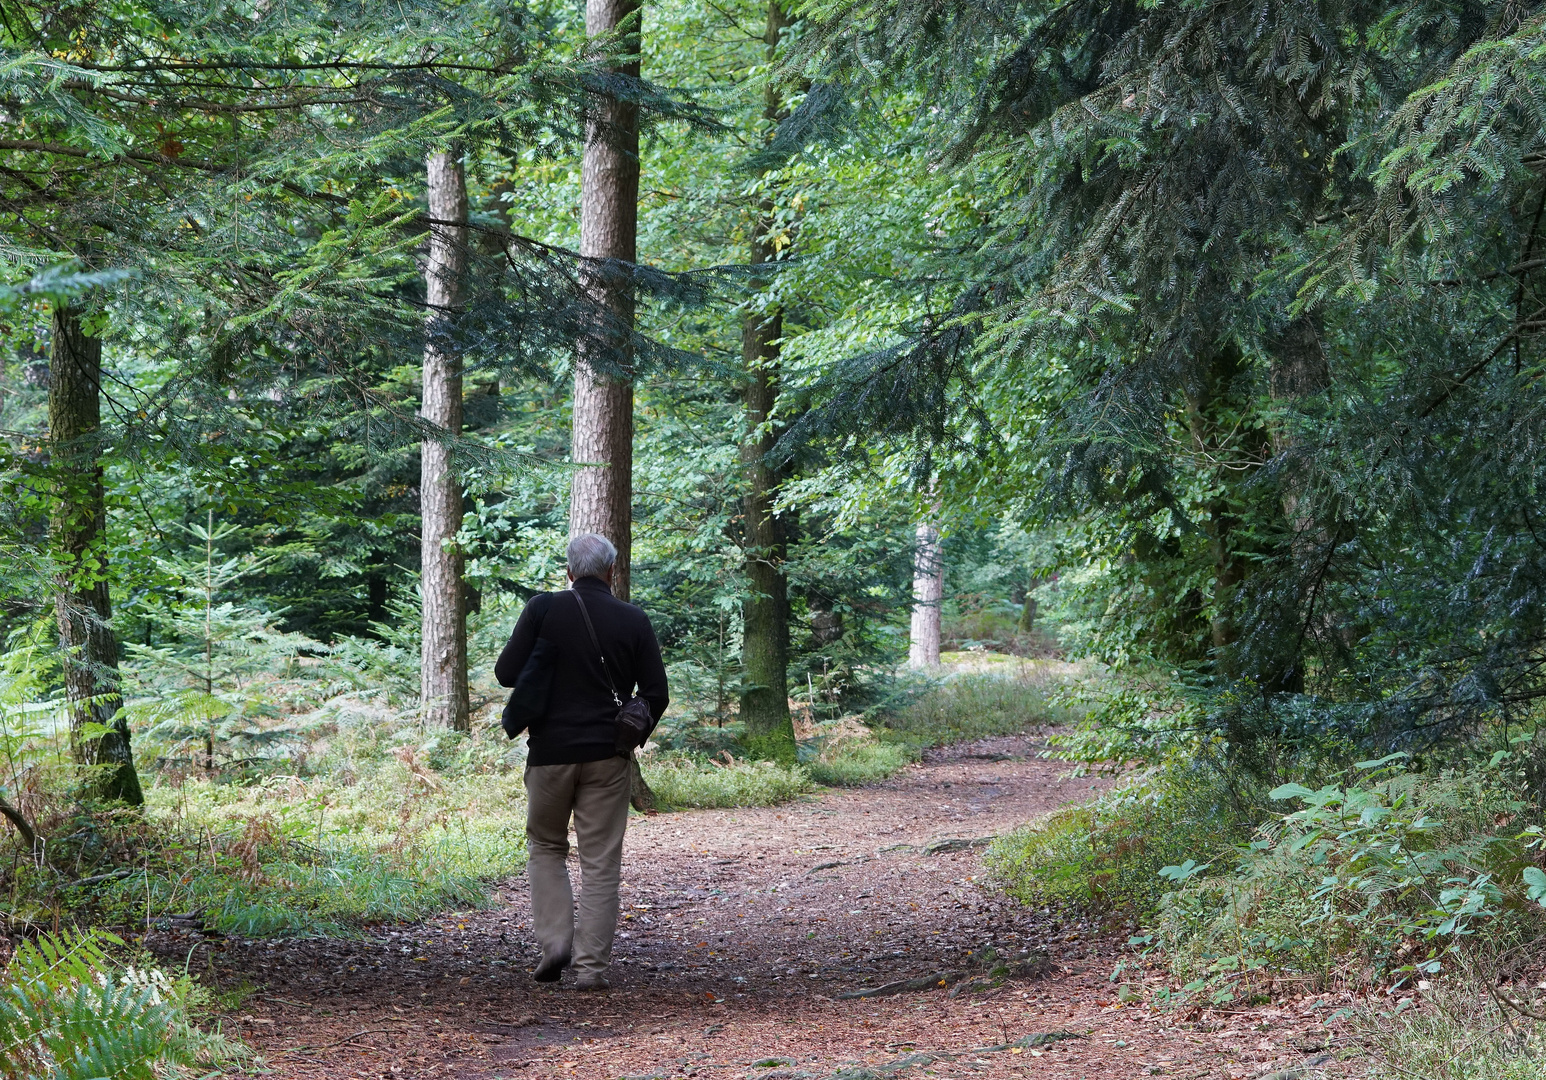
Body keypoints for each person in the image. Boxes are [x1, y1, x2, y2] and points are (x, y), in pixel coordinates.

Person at [494, 533, 669, 990]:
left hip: (549, 754)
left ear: (569, 571)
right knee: (600, 864)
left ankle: (554, 943)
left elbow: (506, 673)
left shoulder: (543, 608)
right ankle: (590, 970)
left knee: (546, 848)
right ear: (612, 571)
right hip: (607, 759)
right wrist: (631, 732)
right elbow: (657, 693)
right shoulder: (633, 619)